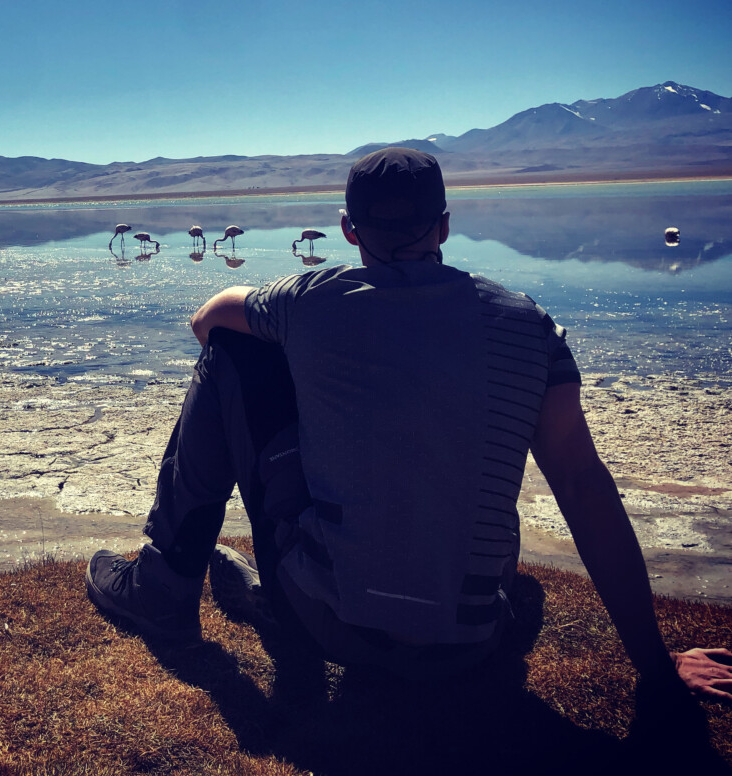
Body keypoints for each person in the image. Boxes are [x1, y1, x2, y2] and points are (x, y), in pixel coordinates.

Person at [86, 148, 732, 698]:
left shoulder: (312, 301)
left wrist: (308, 374)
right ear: (444, 225)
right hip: (472, 642)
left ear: (347, 229)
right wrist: (657, 663)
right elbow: (584, 488)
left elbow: (206, 321)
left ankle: (162, 585)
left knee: (231, 351)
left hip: (331, 623)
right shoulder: (530, 327)